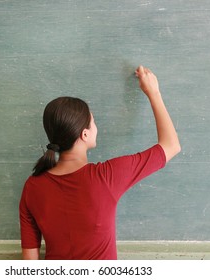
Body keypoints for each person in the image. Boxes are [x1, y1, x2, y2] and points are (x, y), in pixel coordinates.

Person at [19, 66, 181, 260]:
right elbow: (171, 145)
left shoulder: (32, 187)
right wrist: (153, 92)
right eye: (93, 122)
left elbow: (29, 262)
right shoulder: (107, 176)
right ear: (85, 134)